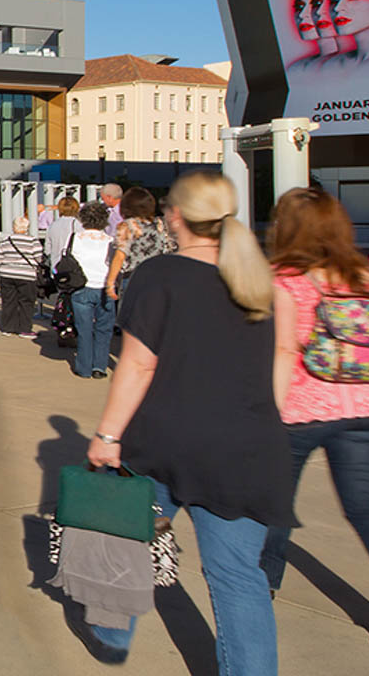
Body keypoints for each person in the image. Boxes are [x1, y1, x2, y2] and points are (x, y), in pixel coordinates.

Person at [85, 171, 292, 672]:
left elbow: (137, 364)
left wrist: (108, 435)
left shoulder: (161, 275)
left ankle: (112, 629)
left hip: (166, 439)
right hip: (249, 445)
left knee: (127, 538)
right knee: (239, 577)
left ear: (174, 216)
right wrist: (264, 421)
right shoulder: (264, 279)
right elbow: (284, 355)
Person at [260, 187, 369, 656]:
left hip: (303, 408)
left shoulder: (284, 279)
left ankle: (261, 587)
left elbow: (284, 350)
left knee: (274, 504)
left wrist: (267, 415)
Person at [69, 202, 117, 379]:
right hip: (105, 287)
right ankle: (100, 366)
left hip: (82, 287)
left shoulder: (75, 238)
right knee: (104, 329)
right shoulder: (111, 242)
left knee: (84, 329)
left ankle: (84, 367)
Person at [107, 187, 174, 313]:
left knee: (133, 321)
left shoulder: (128, 225)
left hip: (134, 278)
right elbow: (168, 249)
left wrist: (110, 282)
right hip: (158, 278)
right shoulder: (160, 224)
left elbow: (120, 255)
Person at [0, 214, 44, 339]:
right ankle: (24, 329)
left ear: (14, 227)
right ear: (27, 227)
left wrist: (2, 268)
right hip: (26, 275)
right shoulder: (33, 240)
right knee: (26, 302)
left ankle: (7, 328)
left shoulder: (6, 240)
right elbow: (39, 258)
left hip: (7, 274)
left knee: (8, 301)